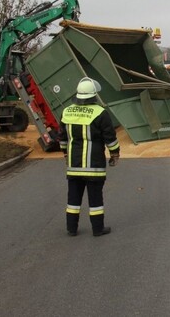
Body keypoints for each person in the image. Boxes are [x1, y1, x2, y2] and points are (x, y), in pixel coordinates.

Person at [59, 77, 120, 237]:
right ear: (93, 95)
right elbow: (110, 138)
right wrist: (115, 153)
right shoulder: (100, 113)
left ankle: (71, 229)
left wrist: (65, 153)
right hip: (94, 167)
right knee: (95, 200)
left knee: (73, 199)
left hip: (74, 166)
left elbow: (63, 138)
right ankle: (98, 229)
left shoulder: (66, 112)